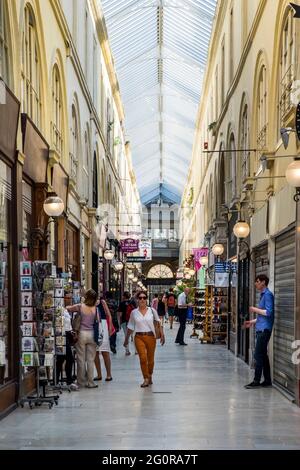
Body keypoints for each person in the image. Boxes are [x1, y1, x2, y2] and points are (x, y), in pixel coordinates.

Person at [124, 292, 165, 387]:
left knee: (150, 360)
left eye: (144, 297)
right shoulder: (134, 312)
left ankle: (150, 375)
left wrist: (162, 334)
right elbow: (130, 326)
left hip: (151, 337)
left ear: (146, 299)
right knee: (142, 358)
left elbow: (158, 323)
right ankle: (145, 378)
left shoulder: (152, 311)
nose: (142, 299)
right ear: (137, 299)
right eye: (140, 298)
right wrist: (126, 339)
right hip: (138, 337)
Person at [243, 275, 274, 389]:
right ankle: (267, 380)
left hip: (264, 330)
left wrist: (254, 309)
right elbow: (263, 316)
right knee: (263, 355)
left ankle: (256, 381)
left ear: (263, 282)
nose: (256, 283)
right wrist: (252, 321)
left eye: (257, 281)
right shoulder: (263, 295)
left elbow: (269, 313)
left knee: (257, 355)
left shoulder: (268, 295)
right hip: (261, 327)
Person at [67, 289, 98, 389]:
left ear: (86, 296)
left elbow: (68, 308)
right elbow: (97, 321)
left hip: (81, 334)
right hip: (92, 334)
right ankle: (91, 382)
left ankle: (81, 381)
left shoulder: (80, 306)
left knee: (80, 358)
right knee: (90, 359)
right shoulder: (95, 309)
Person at [55, 308, 78, 390]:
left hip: (67, 334)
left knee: (61, 359)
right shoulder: (58, 308)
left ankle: (57, 380)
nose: (69, 297)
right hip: (60, 335)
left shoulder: (65, 309)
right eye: (67, 296)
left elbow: (68, 325)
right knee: (69, 358)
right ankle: (68, 380)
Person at [94, 297, 113, 381]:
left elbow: (108, 315)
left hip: (103, 326)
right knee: (95, 352)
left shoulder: (102, 302)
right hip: (94, 327)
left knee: (105, 351)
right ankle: (99, 374)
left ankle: (109, 374)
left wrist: (110, 328)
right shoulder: (89, 304)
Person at [117, 291, 133, 356]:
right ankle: (136, 351)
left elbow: (120, 314)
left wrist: (119, 323)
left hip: (124, 321)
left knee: (126, 335)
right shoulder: (132, 303)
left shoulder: (121, 303)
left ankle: (127, 351)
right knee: (133, 335)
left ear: (124, 296)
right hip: (132, 321)